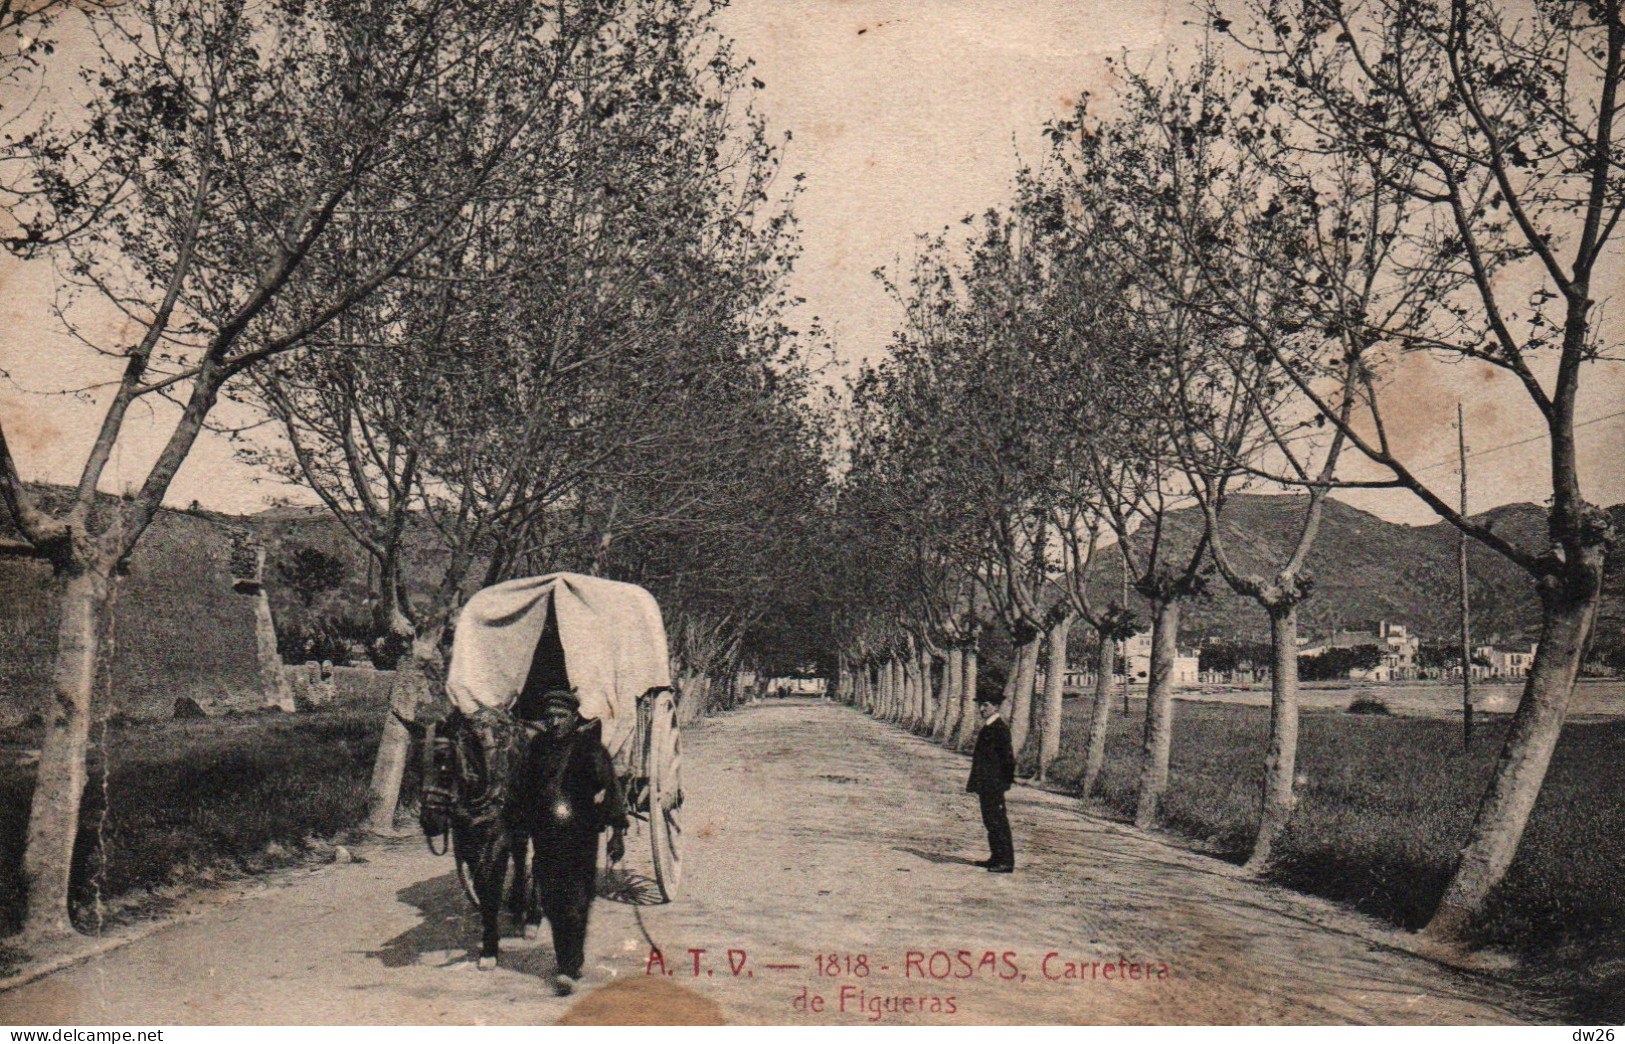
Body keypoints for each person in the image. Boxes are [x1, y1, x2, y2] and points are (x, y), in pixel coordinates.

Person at [519, 689, 627, 996]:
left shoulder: (590, 749)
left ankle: (569, 966)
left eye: (561, 716)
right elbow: (520, 786)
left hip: (580, 835)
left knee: (577, 901)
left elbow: (611, 788)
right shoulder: (536, 747)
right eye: (549, 716)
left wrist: (617, 832)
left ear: (573, 718)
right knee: (553, 902)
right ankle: (565, 958)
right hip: (546, 836)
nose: (554, 722)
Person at [966, 680, 1015, 873]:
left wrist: (1002, 784)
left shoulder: (999, 729)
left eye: (986, 705)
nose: (981, 708)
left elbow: (1008, 760)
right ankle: (996, 857)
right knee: (990, 820)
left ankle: (1006, 861)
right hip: (986, 784)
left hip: (994, 784)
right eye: (980, 704)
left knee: (998, 821)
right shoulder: (988, 727)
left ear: (995, 706)